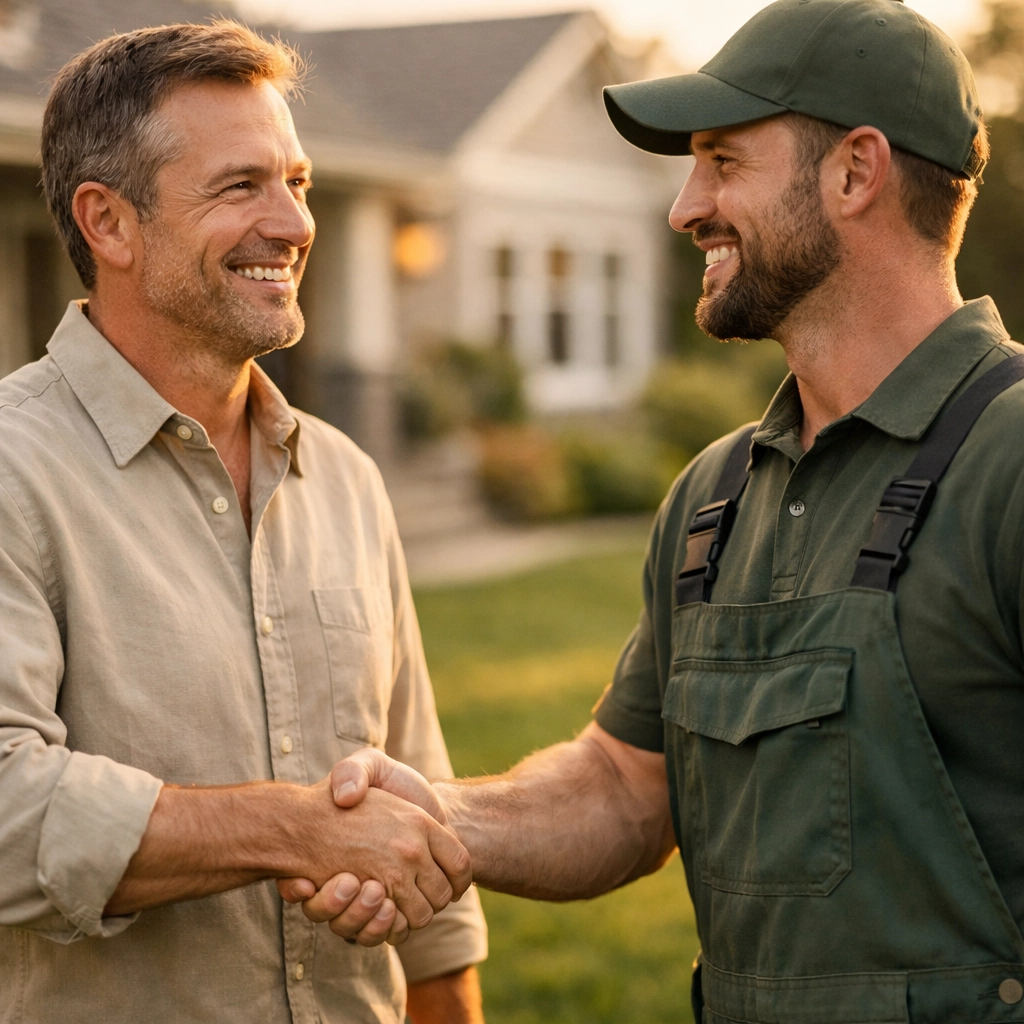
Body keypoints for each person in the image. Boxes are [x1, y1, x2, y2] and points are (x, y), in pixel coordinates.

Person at [285, 0, 1024, 1020]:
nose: (683, 206)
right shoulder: (714, 497)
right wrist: (437, 816)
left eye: (723, 160)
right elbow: (628, 790)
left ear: (856, 172)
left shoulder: (1009, 458)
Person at [0, 20, 488, 1024]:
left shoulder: (346, 478)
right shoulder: (14, 470)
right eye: (240, 187)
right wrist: (289, 827)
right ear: (110, 223)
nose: (293, 223)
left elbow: (423, 830)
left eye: (298, 183)